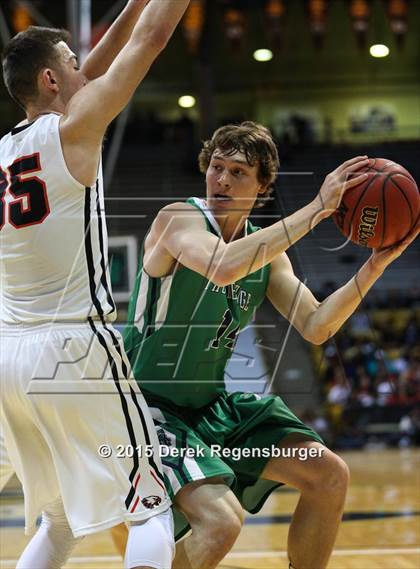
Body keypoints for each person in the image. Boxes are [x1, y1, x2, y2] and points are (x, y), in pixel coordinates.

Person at [118, 122, 418, 569]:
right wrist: (318, 209)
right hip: (146, 409)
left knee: (328, 475)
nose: (221, 179)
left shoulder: (268, 254)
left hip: (209, 409)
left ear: (262, 187)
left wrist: (375, 265)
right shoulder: (178, 218)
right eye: (216, 167)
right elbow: (222, 267)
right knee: (221, 524)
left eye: (237, 172)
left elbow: (316, 326)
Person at [0, 1, 190, 568]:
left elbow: (92, 72)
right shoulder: (76, 130)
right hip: (74, 348)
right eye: (72, 60)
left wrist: (130, 4)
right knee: (150, 506)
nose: (87, 67)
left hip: (9, 356)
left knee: (59, 523)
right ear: (52, 78)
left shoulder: (6, 151)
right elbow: (152, 40)